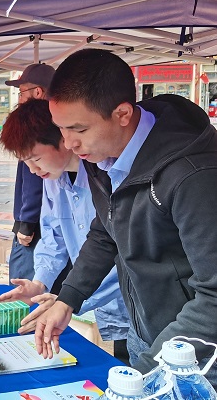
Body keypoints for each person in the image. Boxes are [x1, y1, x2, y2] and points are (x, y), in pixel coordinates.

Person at [34, 49, 217, 386]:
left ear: (122, 114)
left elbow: (214, 295)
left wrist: (146, 370)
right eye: (61, 129)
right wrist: (68, 298)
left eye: (78, 129)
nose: (69, 143)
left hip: (197, 356)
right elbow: (106, 231)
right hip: (145, 330)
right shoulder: (101, 153)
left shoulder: (193, 175)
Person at [0, 98, 130, 362]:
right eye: (26, 163)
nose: (33, 170)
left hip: (135, 298)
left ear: (63, 137)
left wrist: (69, 300)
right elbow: (53, 234)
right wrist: (39, 283)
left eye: (36, 159)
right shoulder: (54, 178)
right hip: (98, 296)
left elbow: (119, 252)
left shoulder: (108, 174)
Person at [5, 63, 69, 288]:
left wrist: (26, 222)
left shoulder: (39, 132)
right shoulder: (52, 174)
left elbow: (33, 183)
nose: (34, 168)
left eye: (22, 92)